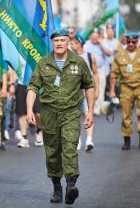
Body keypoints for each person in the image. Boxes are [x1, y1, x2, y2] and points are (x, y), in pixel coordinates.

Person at [27, 28, 95, 205]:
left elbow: (89, 86)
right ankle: (57, 187)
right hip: (49, 113)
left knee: (70, 146)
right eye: (56, 40)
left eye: (63, 40)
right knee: (53, 152)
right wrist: (28, 110)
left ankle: (71, 184)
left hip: (71, 112)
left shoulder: (79, 63)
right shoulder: (43, 63)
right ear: (52, 43)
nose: (59, 43)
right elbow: (33, 87)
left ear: (68, 42)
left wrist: (90, 111)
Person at [109, 31, 140, 151]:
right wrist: (112, 91)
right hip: (126, 88)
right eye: (128, 42)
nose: (130, 44)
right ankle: (127, 141)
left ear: (137, 42)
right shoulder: (120, 55)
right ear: (125, 41)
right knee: (126, 115)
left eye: (133, 42)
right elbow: (113, 75)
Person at [70, 34, 99, 151]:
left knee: (88, 113)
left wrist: (97, 90)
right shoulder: (69, 57)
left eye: (72, 43)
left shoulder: (90, 56)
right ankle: (78, 140)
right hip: (74, 92)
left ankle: (89, 140)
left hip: (87, 90)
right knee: (75, 116)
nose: (70, 45)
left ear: (79, 43)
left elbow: (95, 73)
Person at [84, 30, 112, 115]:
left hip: (100, 69)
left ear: (99, 37)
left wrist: (101, 44)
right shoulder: (86, 44)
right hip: (88, 69)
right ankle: (88, 109)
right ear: (90, 37)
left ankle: (98, 109)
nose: (94, 39)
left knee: (100, 89)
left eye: (96, 37)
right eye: (93, 37)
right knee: (89, 89)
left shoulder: (102, 44)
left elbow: (109, 53)